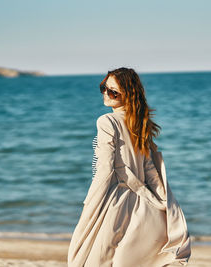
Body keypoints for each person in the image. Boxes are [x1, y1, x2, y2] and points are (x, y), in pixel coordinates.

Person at [67, 67, 191, 267]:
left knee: (92, 259)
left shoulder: (106, 121)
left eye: (113, 92)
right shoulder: (139, 123)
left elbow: (106, 170)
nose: (106, 94)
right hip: (141, 204)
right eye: (104, 88)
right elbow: (149, 168)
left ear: (128, 95)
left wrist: (90, 203)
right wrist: (161, 201)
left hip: (114, 201)